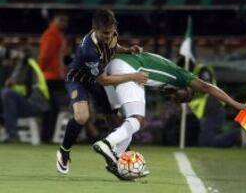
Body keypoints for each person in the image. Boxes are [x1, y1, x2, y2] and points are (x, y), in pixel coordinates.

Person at [92, 52, 246, 179]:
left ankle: (117, 162)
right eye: (183, 96)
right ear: (187, 87)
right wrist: (235, 104)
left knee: (127, 122)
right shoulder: (182, 76)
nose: (177, 99)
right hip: (128, 68)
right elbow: (208, 87)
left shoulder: (163, 76)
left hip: (114, 66)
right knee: (137, 120)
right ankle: (107, 143)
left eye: (179, 100)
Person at [56, 9, 148, 175]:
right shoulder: (88, 50)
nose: (108, 36)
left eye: (111, 32)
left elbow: (113, 47)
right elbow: (103, 80)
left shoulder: (111, 34)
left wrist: (127, 50)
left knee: (115, 121)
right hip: (79, 80)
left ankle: (124, 160)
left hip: (96, 79)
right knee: (82, 116)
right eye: (104, 33)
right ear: (94, 28)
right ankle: (64, 152)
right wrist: (134, 76)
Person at [1, 49, 50, 143]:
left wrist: (10, 81)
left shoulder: (26, 63)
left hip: (37, 104)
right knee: (5, 94)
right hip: (27, 101)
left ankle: (12, 135)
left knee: (7, 93)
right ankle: (6, 130)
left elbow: (14, 81)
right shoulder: (25, 63)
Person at [38, 11, 69, 142]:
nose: (65, 24)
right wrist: (41, 73)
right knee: (52, 107)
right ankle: (46, 136)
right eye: (63, 20)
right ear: (56, 20)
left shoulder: (57, 35)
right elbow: (44, 56)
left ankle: (47, 136)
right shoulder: (52, 35)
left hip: (55, 76)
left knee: (53, 107)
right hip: (50, 77)